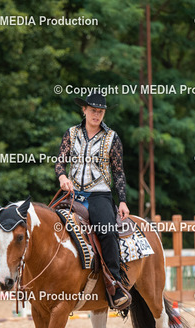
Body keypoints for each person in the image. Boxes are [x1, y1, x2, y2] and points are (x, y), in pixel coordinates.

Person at [55, 92, 130, 309]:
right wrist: (62, 177)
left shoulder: (112, 138)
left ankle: (114, 284)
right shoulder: (71, 133)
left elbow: (118, 172)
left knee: (107, 231)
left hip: (99, 195)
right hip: (72, 194)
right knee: (48, 223)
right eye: (93, 110)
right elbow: (60, 162)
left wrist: (122, 201)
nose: (96, 115)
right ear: (84, 110)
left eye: (100, 111)